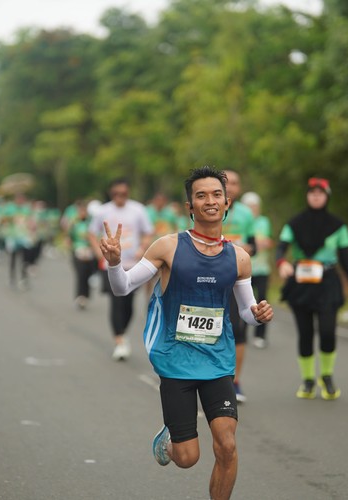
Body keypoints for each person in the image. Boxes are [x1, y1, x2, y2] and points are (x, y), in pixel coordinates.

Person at [99, 166, 273, 500]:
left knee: (227, 446)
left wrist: (257, 314)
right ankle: (170, 439)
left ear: (227, 203)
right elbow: (123, 288)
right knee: (187, 458)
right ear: (190, 206)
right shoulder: (167, 247)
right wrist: (114, 262)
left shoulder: (239, 257)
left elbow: (247, 312)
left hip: (217, 362)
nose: (210, 201)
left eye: (217, 194)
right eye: (201, 195)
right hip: (175, 362)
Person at [276, 177, 348, 400]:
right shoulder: (294, 223)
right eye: (312, 193)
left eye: (320, 193)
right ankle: (308, 380)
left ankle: (326, 376)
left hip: (328, 282)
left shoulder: (338, 226)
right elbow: (281, 248)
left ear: (327, 197)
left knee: (328, 331)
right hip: (301, 283)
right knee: (305, 333)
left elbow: (346, 261)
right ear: (307, 196)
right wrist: (281, 263)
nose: (316, 196)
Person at [88, 178, 154, 361]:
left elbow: (148, 232)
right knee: (116, 301)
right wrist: (98, 253)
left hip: (132, 264)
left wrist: (142, 248)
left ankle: (123, 333)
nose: (119, 197)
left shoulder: (138, 210)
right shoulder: (103, 211)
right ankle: (119, 340)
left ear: (128, 193)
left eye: (123, 193)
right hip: (110, 264)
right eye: (115, 193)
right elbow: (91, 233)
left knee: (128, 304)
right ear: (111, 193)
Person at [223, 169, 256, 403]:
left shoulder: (246, 214)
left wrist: (243, 250)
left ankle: (234, 382)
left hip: (236, 278)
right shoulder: (209, 208)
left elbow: (254, 245)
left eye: (234, 183)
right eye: (225, 182)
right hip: (207, 279)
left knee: (237, 330)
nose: (230, 187)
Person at [240, 191, 274, 348]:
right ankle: (241, 334)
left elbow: (267, 242)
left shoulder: (263, 221)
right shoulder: (240, 221)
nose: (252, 209)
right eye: (249, 206)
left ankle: (260, 336)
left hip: (262, 269)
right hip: (243, 269)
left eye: (255, 206)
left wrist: (255, 244)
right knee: (244, 302)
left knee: (262, 301)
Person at [67, 200, 98, 309]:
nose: (82, 213)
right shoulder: (74, 223)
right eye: (80, 211)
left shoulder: (91, 223)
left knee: (87, 274)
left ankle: (86, 295)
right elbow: (70, 236)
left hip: (89, 252)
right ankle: (80, 296)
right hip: (78, 251)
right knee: (80, 274)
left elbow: (96, 236)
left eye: (84, 211)